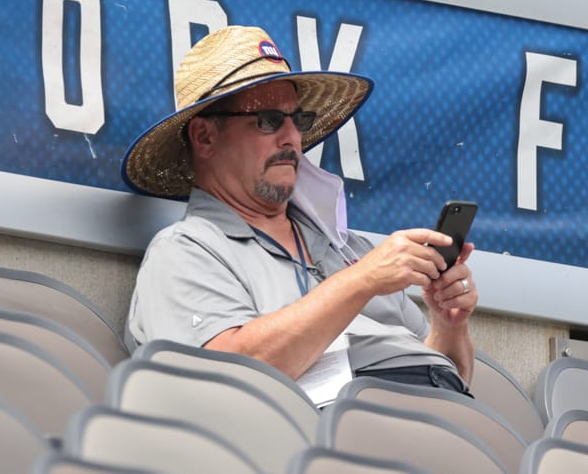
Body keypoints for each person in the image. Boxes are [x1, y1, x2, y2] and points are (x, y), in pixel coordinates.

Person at [121, 25, 478, 395]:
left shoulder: (349, 248)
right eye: (269, 120)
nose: (292, 137)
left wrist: (448, 325)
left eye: (298, 121)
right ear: (204, 137)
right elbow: (224, 377)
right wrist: (361, 280)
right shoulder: (186, 250)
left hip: (434, 414)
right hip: (338, 423)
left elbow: (442, 371)